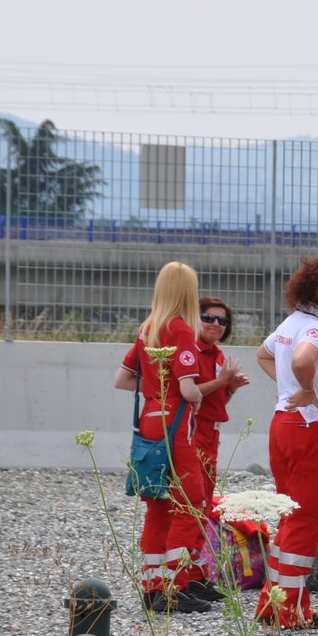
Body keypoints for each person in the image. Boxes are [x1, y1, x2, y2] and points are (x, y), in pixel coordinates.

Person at [113, 261, 216, 614]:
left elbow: (123, 380)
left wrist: (158, 391)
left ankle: (152, 583)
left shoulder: (147, 328)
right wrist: (196, 395)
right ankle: (175, 583)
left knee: (157, 504)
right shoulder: (180, 329)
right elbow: (188, 388)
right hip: (176, 424)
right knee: (191, 501)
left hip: (150, 419)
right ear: (187, 292)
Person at [255, 258, 318, 628]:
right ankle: (288, 610)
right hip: (311, 430)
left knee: (289, 516)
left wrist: (290, 390)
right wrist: (307, 390)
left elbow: (264, 354)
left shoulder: (291, 322)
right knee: (305, 519)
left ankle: (273, 602)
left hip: (283, 423)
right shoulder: (314, 329)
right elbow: (302, 359)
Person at [191, 296, 249, 512]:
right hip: (194, 430)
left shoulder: (217, 354)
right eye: (208, 318)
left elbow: (217, 402)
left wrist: (230, 387)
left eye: (222, 321)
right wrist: (222, 381)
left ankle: (198, 544)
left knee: (206, 492)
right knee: (194, 495)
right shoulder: (191, 351)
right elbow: (189, 393)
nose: (216, 324)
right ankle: (187, 544)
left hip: (211, 433)